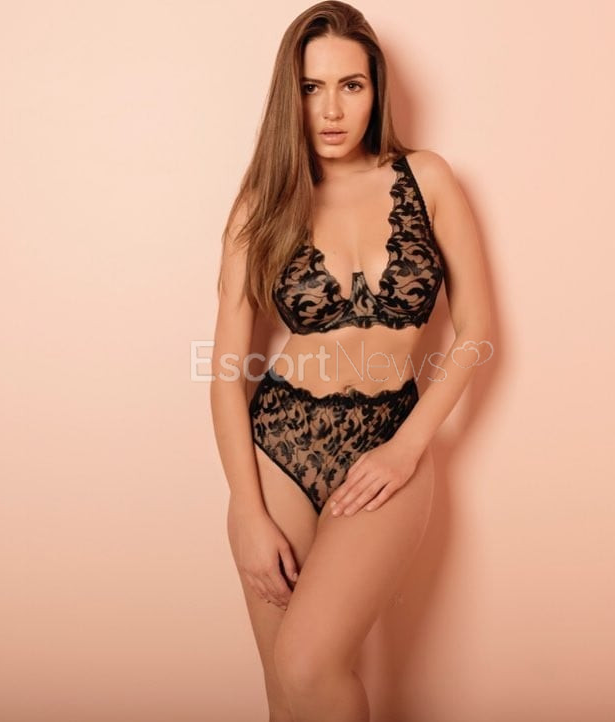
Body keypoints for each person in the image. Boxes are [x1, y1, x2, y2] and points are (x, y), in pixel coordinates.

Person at [210, 2, 491, 720]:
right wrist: (246, 509)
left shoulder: (428, 179)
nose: (331, 110)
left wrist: (408, 447)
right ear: (290, 96)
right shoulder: (260, 206)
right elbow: (225, 372)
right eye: (311, 88)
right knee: (287, 692)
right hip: (279, 444)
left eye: (351, 86)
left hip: (390, 434)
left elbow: (477, 330)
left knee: (307, 663)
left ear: (376, 89)